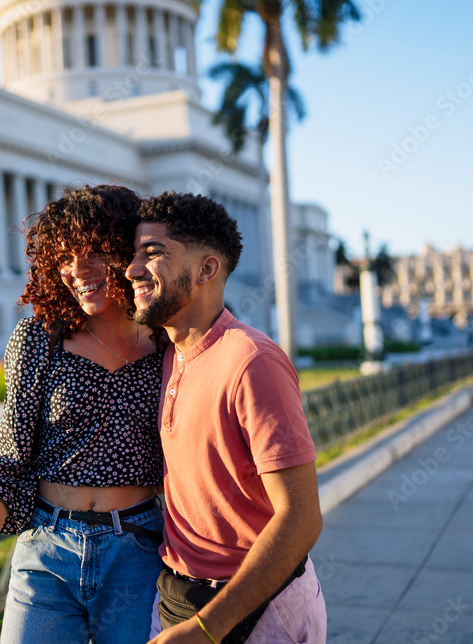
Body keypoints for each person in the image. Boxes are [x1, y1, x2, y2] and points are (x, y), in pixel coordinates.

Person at [0, 185, 165, 643]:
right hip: (48, 550)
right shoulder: (38, 340)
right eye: (65, 256)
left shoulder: (167, 340)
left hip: (139, 550)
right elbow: (10, 457)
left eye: (93, 252)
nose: (78, 269)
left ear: (125, 250)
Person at [125, 192, 325, 644]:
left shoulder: (252, 361)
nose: (132, 269)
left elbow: (302, 517)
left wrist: (208, 627)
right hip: (178, 598)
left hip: (255, 609)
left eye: (152, 253)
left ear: (206, 269)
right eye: (134, 254)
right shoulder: (169, 356)